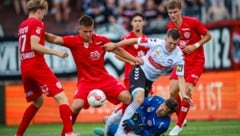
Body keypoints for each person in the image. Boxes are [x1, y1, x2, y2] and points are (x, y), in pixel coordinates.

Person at [45, 15, 143, 136]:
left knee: (127, 97)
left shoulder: (101, 40)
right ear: (79, 30)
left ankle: (122, 131)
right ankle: (65, 134)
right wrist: (39, 33)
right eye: (85, 31)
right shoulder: (74, 41)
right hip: (86, 82)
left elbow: (117, 50)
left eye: (90, 31)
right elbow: (55, 39)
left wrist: (134, 59)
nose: (88, 34)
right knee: (76, 106)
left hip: (104, 79)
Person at [105, 28, 192, 136]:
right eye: (170, 43)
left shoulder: (178, 57)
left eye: (175, 44)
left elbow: (180, 77)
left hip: (149, 81)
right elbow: (135, 40)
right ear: (166, 39)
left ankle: (111, 120)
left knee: (136, 103)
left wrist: (183, 94)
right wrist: (115, 45)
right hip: (140, 70)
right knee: (139, 99)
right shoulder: (156, 43)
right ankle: (120, 133)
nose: (172, 46)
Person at [16, 0, 75, 136]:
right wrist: (57, 52)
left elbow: (29, 44)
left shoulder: (22, 25)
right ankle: (69, 133)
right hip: (37, 65)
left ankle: (18, 135)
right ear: (39, 10)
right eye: (44, 12)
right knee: (62, 98)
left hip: (25, 66)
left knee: (38, 101)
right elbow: (35, 45)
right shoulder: (37, 23)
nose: (44, 15)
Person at [166, 0, 212, 135]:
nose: (172, 15)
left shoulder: (192, 22)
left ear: (180, 11)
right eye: (170, 13)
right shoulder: (169, 26)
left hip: (196, 62)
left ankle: (179, 125)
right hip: (181, 62)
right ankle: (182, 117)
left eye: (175, 12)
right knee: (173, 91)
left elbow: (208, 36)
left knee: (186, 91)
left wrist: (195, 46)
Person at [102, 12, 150, 136]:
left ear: (143, 22)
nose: (138, 23)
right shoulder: (127, 38)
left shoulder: (146, 39)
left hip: (146, 76)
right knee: (129, 102)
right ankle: (123, 130)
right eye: (135, 21)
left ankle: (113, 120)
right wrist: (130, 60)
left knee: (141, 103)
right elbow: (117, 54)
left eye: (140, 20)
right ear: (132, 23)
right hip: (131, 76)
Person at [94, 96, 178, 136]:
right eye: (162, 105)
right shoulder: (157, 100)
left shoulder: (163, 125)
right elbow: (138, 103)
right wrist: (135, 118)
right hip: (134, 120)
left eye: (164, 110)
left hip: (139, 132)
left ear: (169, 113)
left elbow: (149, 135)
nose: (160, 109)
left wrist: (137, 128)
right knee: (111, 129)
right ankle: (110, 123)